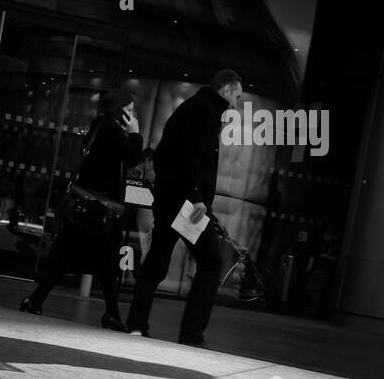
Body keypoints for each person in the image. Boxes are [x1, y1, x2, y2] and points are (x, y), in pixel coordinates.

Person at [125, 68, 242, 346]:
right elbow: (191, 159)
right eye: (236, 96)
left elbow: (172, 155)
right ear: (225, 91)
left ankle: (136, 324)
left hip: (172, 199)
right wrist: (198, 199)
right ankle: (191, 334)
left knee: (157, 261)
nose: (236, 103)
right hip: (188, 205)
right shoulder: (204, 111)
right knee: (211, 263)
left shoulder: (195, 107)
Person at [20, 90, 142, 329]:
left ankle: (37, 301)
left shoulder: (100, 126)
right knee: (95, 260)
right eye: (129, 111)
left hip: (88, 206)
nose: (133, 115)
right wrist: (135, 134)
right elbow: (132, 157)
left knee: (74, 257)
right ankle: (110, 314)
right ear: (119, 111)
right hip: (99, 208)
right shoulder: (112, 130)